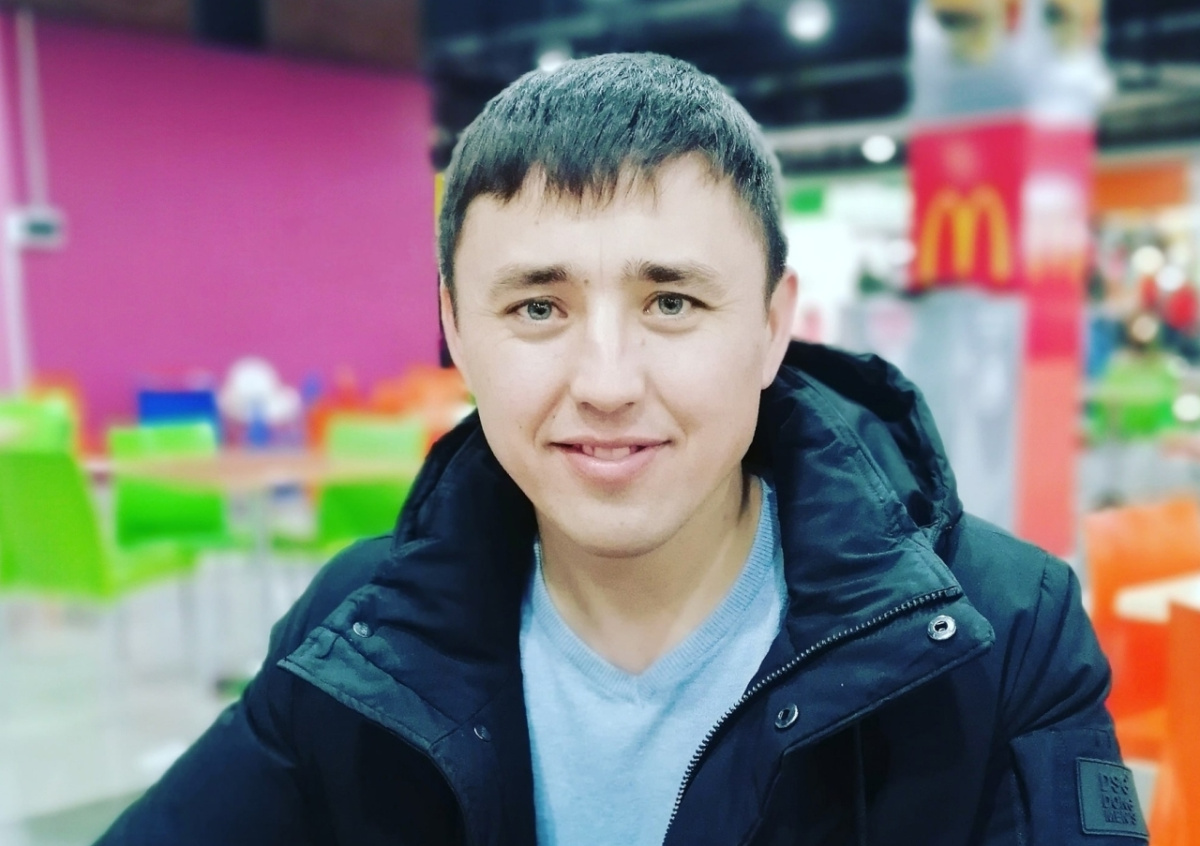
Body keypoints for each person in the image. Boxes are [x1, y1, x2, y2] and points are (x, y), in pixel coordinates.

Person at [96, 53, 1144, 846]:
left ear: (773, 324)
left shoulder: (1003, 632)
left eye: (672, 301)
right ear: (455, 328)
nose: (605, 382)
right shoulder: (358, 634)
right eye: (538, 306)